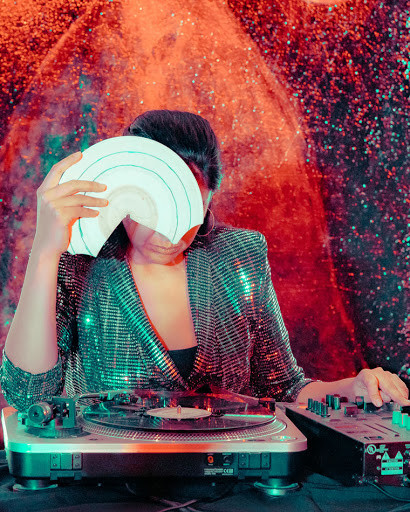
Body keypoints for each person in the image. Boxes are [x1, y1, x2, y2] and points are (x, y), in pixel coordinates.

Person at [1, 110, 409, 412]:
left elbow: (284, 389)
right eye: (149, 212)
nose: (168, 236)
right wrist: (45, 251)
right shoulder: (78, 264)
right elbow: (27, 395)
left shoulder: (241, 255)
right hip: (107, 486)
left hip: (230, 485)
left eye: (186, 214)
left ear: (210, 196)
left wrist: (351, 387)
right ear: (122, 192)